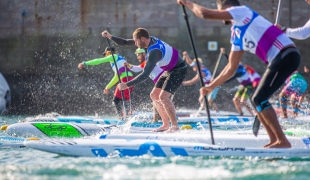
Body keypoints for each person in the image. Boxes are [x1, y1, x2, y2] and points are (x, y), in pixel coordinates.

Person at [178, 0, 301, 148]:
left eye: (219, 9)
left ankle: (282, 141)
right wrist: (210, 86)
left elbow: (205, 14)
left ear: (227, 7)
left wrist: (188, 3)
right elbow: (230, 68)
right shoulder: (236, 33)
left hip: (286, 55)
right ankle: (275, 141)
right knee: (257, 100)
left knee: (260, 99)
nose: (220, 14)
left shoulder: (242, 11)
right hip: (278, 59)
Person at [102, 28, 188, 132]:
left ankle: (175, 126)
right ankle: (165, 124)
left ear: (142, 39)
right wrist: (110, 36)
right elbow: (124, 42)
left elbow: (145, 74)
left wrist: (127, 84)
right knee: (154, 95)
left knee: (163, 96)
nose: (135, 44)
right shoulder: (149, 40)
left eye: (136, 41)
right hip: (169, 70)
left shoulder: (154, 52)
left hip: (179, 69)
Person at [78, 47, 134, 118]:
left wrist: (85, 63)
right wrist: (107, 87)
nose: (106, 56)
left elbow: (99, 61)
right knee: (121, 99)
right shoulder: (119, 59)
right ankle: (128, 116)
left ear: (108, 53)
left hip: (125, 80)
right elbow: (117, 77)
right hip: (130, 80)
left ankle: (122, 118)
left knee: (116, 100)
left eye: (106, 54)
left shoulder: (114, 56)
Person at [124, 48, 164, 122]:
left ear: (144, 54)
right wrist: (129, 65)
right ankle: (158, 119)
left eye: (138, 55)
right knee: (156, 99)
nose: (137, 57)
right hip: (159, 82)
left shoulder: (149, 61)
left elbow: (140, 71)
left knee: (156, 98)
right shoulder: (146, 62)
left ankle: (160, 119)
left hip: (163, 80)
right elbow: (138, 68)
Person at [221, 48, 254, 116]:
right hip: (243, 86)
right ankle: (241, 113)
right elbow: (230, 61)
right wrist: (224, 53)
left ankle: (253, 115)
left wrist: (221, 81)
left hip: (249, 86)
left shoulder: (240, 70)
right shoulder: (236, 65)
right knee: (235, 100)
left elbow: (232, 78)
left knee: (243, 101)